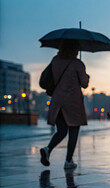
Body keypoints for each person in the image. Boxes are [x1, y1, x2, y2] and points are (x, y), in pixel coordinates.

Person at [40, 40, 89, 169]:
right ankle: (68, 161)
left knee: (61, 130)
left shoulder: (55, 60)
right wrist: (86, 76)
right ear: (75, 49)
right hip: (73, 102)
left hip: (57, 102)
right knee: (73, 130)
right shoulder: (77, 63)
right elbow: (84, 83)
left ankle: (48, 149)